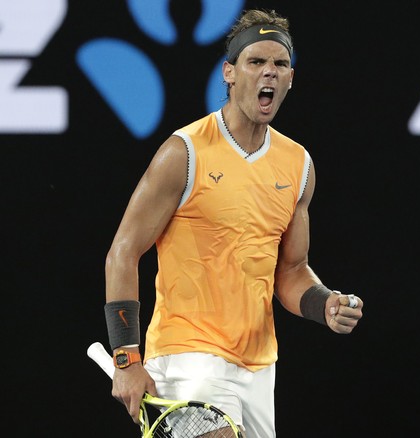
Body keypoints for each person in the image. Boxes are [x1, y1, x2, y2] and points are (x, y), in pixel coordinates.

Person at [103, 8, 363, 437]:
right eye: (256, 62)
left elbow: (292, 271)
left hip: (259, 369)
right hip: (189, 356)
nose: (270, 73)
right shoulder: (183, 153)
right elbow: (122, 253)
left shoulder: (298, 166)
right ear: (229, 73)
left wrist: (325, 304)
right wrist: (127, 360)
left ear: (291, 79)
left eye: (280, 64)